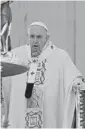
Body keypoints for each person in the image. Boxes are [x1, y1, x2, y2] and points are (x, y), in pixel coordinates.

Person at [8, 21, 85, 128]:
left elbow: (73, 76)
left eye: (39, 37)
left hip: (49, 115)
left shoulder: (60, 56)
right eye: (32, 36)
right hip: (21, 113)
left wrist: (76, 83)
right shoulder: (16, 55)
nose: (35, 41)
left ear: (47, 38)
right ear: (28, 37)